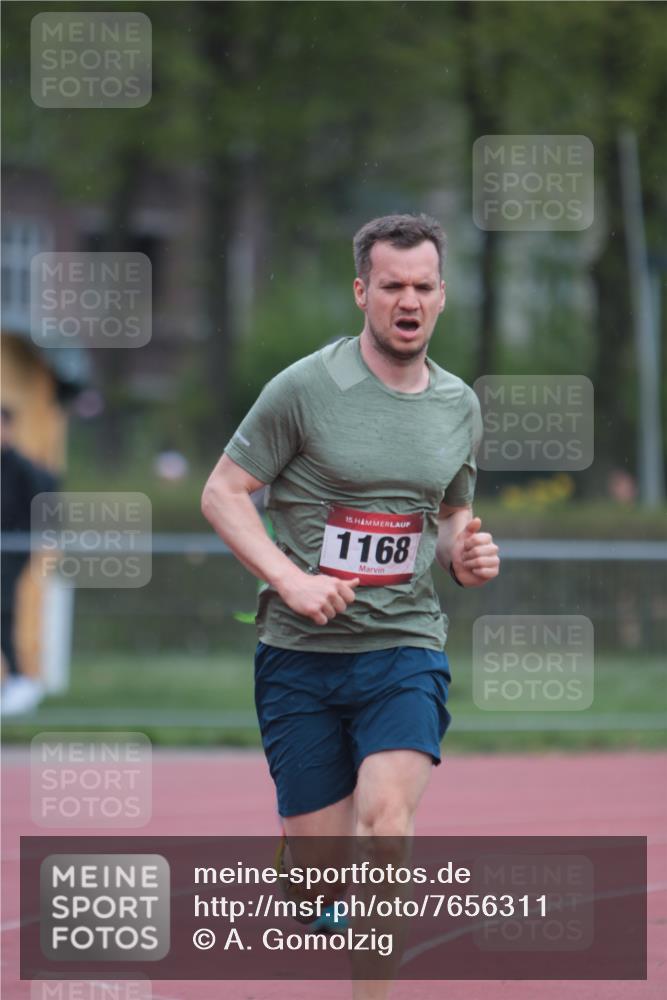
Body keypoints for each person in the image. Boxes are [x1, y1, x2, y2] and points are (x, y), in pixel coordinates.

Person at [201, 213, 500, 997]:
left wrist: (466, 552)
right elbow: (224, 493)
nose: (409, 299)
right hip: (299, 656)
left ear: (442, 297)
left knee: (384, 821)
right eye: (392, 285)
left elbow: (447, 517)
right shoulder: (304, 388)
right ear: (362, 290)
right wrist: (290, 579)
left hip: (403, 648)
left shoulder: (458, 405)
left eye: (423, 286)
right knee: (320, 879)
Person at [1, 406, 58, 716]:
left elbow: (49, 489)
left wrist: (44, 533)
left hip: (12, 550)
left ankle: (21, 679)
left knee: (4, 608)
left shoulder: (22, 468)